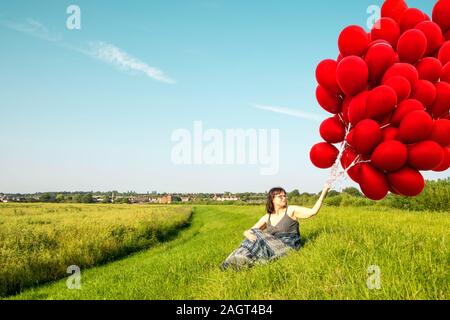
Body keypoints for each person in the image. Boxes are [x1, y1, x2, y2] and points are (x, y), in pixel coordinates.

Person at [220, 183, 331, 271]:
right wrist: (246, 233)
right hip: (272, 246)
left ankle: (241, 260)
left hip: (289, 246)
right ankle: (234, 260)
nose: (284, 198)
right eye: (280, 196)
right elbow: (249, 231)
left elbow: (313, 212)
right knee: (252, 233)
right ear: (272, 199)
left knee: (256, 233)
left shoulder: (291, 210)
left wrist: (324, 192)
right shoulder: (267, 217)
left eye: (284, 196)